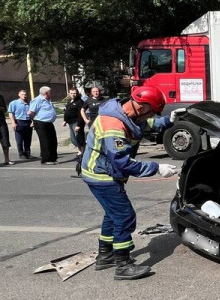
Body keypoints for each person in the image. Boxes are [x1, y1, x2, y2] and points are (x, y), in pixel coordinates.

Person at [81, 86, 177, 280]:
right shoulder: (113, 125)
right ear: (141, 107)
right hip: (102, 176)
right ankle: (123, 265)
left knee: (113, 214)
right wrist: (156, 168)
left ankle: (105, 255)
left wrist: (169, 120)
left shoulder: (126, 114)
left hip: (103, 173)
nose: (150, 117)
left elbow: (147, 124)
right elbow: (122, 162)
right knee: (125, 217)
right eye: (151, 112)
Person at [29, 86, 58, 165]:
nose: (51, 94)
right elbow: (31, 112)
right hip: (41, 122)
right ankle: (46, 159)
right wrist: (33, 121)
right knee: (45, 141)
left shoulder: (48, 100)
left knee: (53, 140)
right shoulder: (37, 100)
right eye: (50, 92)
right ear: (46, 93)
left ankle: (52, 158)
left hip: (49, 123)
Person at [8, 90, 35, 159]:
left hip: (28, 122)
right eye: (22, 94)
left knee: (28, 139)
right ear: (19, 95)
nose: (24, 96)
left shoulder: (30, 103)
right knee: (19, 140)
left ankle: (28, 153)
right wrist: (13, 122)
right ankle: (21, 153)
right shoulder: (14, 103)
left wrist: (33, 121)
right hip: (19, 122)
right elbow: (11, 113)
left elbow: (32, 113)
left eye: (25, 94)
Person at [63, 88, 86, 158]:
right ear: (69, 94)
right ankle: (81, 150)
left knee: (78, 137)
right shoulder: (70, 101)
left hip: (76, 122)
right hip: (70, 122)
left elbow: (81, 114)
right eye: (71, 93)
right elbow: (67, 111)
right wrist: (65, 120)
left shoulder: (80, 102)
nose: (73, 95)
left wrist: (79, 125)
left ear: (77, 93)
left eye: (74, 93)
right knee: (73, 139)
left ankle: (82, 152)